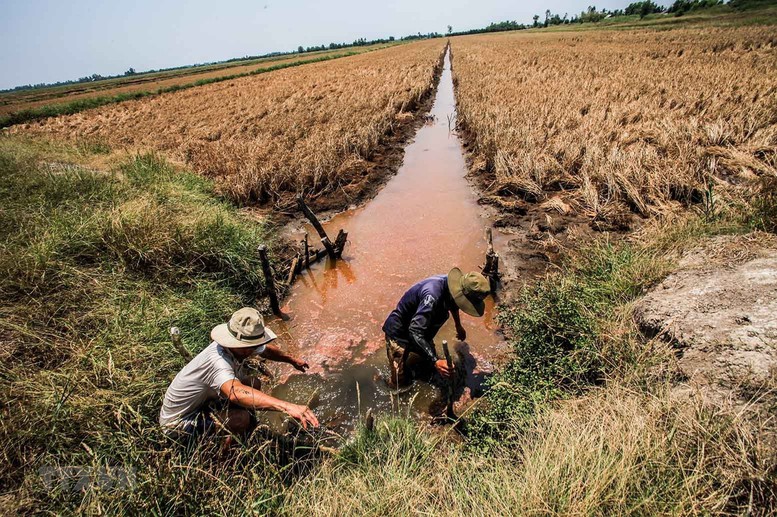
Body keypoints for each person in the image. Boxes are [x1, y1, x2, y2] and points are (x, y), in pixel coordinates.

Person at [159, 307, 319, 440]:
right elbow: (234, 392)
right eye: (249, 347)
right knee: (241, 419)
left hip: (202, 404)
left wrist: (292, 360)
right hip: (178, 424)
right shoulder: (218, 362)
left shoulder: (240, 346)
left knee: (254, 384)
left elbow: (265, 351)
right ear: (235, 343)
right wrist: (287, 406)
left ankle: (246, 432)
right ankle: (224, 460)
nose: (253, 351)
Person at [382, 267, 491, 388]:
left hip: (422, 331)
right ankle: (388, 384)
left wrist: (458, 325)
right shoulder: (432, 296)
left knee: (428, 367)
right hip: (399, 334)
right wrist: (435, 360)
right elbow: (415, 331)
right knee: (399, 381)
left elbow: (453, 304)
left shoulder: (453, 288)